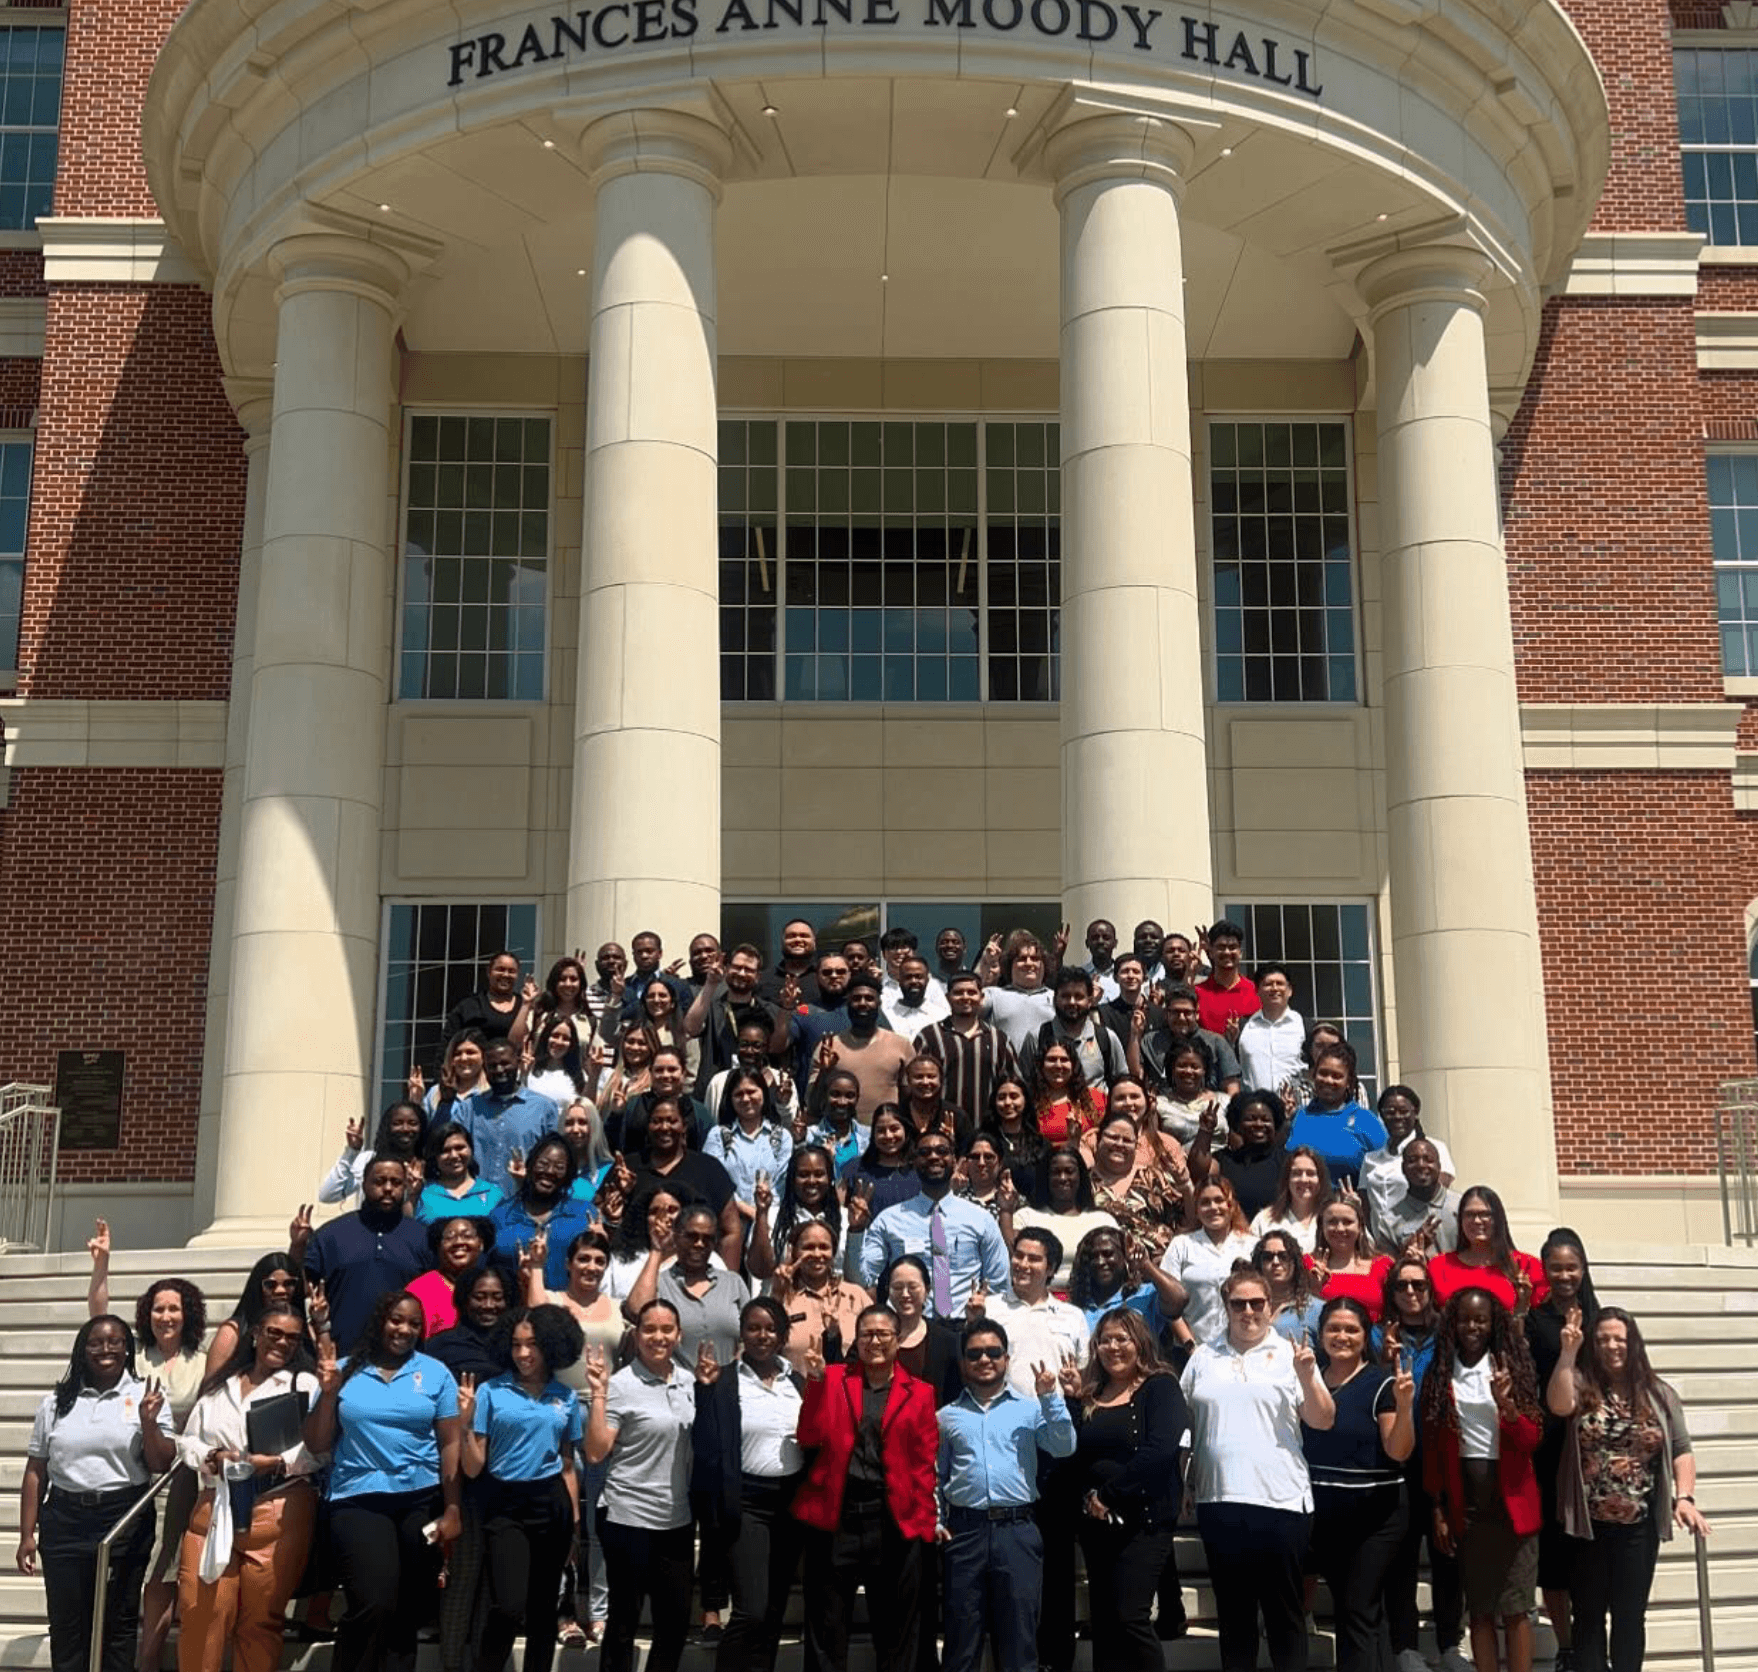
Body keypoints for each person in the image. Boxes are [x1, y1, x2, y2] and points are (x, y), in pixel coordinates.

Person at [1183, 1266, 1334, 1672]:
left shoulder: (1292, 1354)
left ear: (1270, 1306)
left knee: (1284, 1615)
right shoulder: (1203, 1357)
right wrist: (1184, 1479)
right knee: (1234, 1617)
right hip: (1220, 1500)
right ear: (1225, 1305)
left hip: (1280, 1501)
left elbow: (1322, 1419)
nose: (1248, 1311)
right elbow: (1188, 1423)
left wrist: (1308, 1374)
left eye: (1256, 1303)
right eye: (1238, 1303)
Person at [304, 1291, 463, 1672]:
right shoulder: (343, 1370)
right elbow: (317, 1442)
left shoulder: (436, 1372)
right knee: (374, 1601)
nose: (404, 1329)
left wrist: (454, 1508)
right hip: (358, 1498)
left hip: (420, 1500)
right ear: (379, 1321)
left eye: (413, 1323)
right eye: (396, 1319)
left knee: (408, 1607)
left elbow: (451, 1443)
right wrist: (327, 1395)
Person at [1548, 1305, 1711, 1672]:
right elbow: (1558, 1405)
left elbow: (1681, 1450)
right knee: (1588, 1618)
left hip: (1638, 1528)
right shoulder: (1578, 1382)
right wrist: (1568, 1353)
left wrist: (1684, 1497)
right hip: (1587, 1526)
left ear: (1633, 1343)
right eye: (1603, 1339)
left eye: (1619, 1338)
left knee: (1630, 1617)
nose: (1611, 1346)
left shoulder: (1659, 1394)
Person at [17, 1316, 178, 1672]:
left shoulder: (145, 1394)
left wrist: (149, 1423)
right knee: (67, 1625)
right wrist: (27, 1534)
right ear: (82, 1349)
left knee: (117, 1623)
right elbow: (36, 1470)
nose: (106, 1349)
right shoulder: (56, 1402)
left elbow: (162, 1462)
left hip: (123, 1518)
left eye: (115, 1342)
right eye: (95, 1343)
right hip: (65, 1519)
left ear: (127, 1348)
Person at [83, 1221, 209, 1672]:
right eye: (158, 1309)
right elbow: (99, 1318)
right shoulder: (133, 1354)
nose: (166, 1317)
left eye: (174, 1309)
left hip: (179, 1477)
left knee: (163, 1569)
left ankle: (148, 1660)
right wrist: (102, 1265)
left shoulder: (202, 1360)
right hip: (128, 1472)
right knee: (130, 1567)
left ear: (187, 1313)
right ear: (147, 1314)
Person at [175, 1302, 324, 1672]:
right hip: (215, 1507)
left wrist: (275, 1463)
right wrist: (213, 1456)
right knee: (201, 1615)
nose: (282, 1343)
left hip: (276, 1508)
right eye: (274, 1333)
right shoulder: (218, 1385)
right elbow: (187, 1441)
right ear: (255, 1333)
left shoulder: (304, 1385)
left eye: (292, 1337)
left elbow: (320, 1450)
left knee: (260, 1623)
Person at [793, 1303, 940, 1672]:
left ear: (897, 1339)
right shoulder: (834, 1378)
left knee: (895, 1630)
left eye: (882, 1334)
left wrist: (924, 1520)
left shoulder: (920, 1392)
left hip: (891, 1519)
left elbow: (924, 1463)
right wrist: (813, 1383)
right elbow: (808, 1436)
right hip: (837, 1516)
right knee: (827, 1629)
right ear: (855, 1341)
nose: (874, 1341)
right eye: (866, 1334)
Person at [936, 1318, 1076, 1672]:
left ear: (1006, 1358)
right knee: (961, 1639)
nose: (985, 1359)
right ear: (964, 1362)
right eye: (975, 1354)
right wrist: (937, 1520)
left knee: (1019, 1639)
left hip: (1017, 1531)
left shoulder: (1030, 1408)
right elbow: (936, 1474)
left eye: (993, 1352)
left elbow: (1063, 1447)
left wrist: (1051, 1398)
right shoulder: (946, 1417)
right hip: (964, 1533)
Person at [1421, 1289, 1543, 1672]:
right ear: (1452, 1324)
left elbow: (1530, 1440)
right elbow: (1433, 1449)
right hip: (1467, 1501)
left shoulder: (1511, 1368)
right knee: (1481, 1607)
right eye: (1464, 1319)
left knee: (1517, 1608)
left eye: (1480, 1320)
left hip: (1513, 1501)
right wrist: (1438, 1507)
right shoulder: (1442, 1371)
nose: (1472, 1326)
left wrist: (1507, 1405)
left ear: (1494, 1325)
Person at [460, 1304, 585, 1672]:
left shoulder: (566, 1395)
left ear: (551, 1345)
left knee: (544, 1606)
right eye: (516, 1345)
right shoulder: (490, 1391)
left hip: (553, 1504)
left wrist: (575, 1519)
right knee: (508, 1605)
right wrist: (465, 1425)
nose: (523, 1354)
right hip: (504, 1506)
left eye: (532, 1344)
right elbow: (473, 1466)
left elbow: (566, 1462)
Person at [584, 1301, 708, 1672]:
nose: (658, 1337)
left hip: (677, 1520)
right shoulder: (620, 1385)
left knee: (674, 1624)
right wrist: (599, 1394)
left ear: (679, 1334)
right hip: (627, 1518)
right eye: (649, 1329)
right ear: (635, 1336)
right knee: (623, 1622)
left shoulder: (690, 1381)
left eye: (667, 1329)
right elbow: (594, 1452)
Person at [1065, 1308, 1190, 1672]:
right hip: (1097, 1526)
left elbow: (1161, 1450)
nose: (1113, 1347)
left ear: (1141, 1343)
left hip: (1144, 1523)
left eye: (1122, 1338)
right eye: (1105, 1340)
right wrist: (1073, 1402)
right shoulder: (1094, 1392)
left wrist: (1109, 1494)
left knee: (1130, 1617)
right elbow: (1077, 1452)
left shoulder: (1160, 1386)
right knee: (1104, 1622)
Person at [692, 1297, 806, 1672]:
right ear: (741, 1333)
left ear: (783, 1334)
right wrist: (705, 1391)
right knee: (751, 1611)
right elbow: (706, 1448)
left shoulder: (798, 1382)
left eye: (771, 1328)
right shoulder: (723, 1380)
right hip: (747, 1503)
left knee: (773, 1611)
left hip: (789, 1504)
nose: (762, 1335)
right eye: (754, 1327)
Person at [1302, 1296, 1415, 1672]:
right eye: (1334, 1328)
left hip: (1376, 1518)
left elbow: (1398, 1451)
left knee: (1355, 1608)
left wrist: (1403, 1407)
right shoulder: (1308, 1378)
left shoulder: (1381, 1383)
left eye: (1352, 1329)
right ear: (1320, 1335)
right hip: (1327, 1517)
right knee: (1362, 1613)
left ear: (1367, 1336)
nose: (1342, 1336)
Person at [1374, 1258, 1464, 1672]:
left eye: (1419, 1285)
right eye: (1402, 1286)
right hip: (1397, 1452)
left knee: (1447, 1554)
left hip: (1443, 1450)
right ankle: (1405, 1645)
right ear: (1391, 1293)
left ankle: (1450, 1644)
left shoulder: (1449, 1332)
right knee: (1403, 1554)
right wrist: (1382, 1358)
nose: (1411, 1292)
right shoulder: (1379, 1335)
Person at [424, 1266, 512, 1672]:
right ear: (463, 1299)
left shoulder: (519, 1343)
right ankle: (452, 1664)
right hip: (463, 1475)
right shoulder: (441, 1347)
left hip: (511, 1474)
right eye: (480, 1296)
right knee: (462, 1576)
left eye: (497, 1296)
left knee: (498, 1583)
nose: (489, 1304)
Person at [1525, 1228, 1601, 1671]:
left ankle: (1592, 1641)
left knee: (1591, 1554)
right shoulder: (1536, 1320)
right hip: (1552, 1447)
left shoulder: (1601, 1317)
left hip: (1597, 1448)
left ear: (1584, 1267)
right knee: (1554, 1555)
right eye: (1556, 1267)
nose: (1564, 1274)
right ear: (1545, 1270)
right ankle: (1566, 1645)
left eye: (1571, 1266)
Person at [858, 1129, 1010, 1318]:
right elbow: (861, 1277)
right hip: (908, 1326)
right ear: (913, 1162)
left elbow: (1000, 1280)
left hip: (964, 1326)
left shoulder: (981, 1219)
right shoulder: (889, 1220)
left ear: (955, 1160)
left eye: (942, 1151)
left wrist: (983, 1312)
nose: (933, 1157)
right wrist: (856, 1232)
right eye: (924, 1152)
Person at [301, 1158, 432, 1353]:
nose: (388, 1188)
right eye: (379, 1181)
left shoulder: (423, 1237)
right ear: (364, 1184)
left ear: (405, 1186)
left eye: (396, 1182)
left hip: (406, 1358)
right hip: (343, 1355)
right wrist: (297, 1245)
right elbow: (302, 1288)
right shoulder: (331, 1235)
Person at [623, 1097, 744, 1269]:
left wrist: (728, 1280)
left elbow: (731, 1229)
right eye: (656, 1121)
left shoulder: (709, 1168)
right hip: (637, 1270)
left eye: (672, 1121)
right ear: (647, 1126)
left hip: (697, 1273)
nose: (664, 1127)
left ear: (684, 1126)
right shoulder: (629, 1168)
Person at [628, 1202, 751, 1366]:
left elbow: (750, 1335)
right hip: (675, 1387)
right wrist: (657, 1249)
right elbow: (637, 1311)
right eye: (692, 1236)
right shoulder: (660, 1283)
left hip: (726, 1386)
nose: (699, 1244)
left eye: (707, 1239)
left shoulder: (733, 1283)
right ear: (676, 1236)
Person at [982, 1227, 1089, 1396]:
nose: (1023, 1264)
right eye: (1018, 1256)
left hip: (1056, 1415)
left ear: (1051, 1269)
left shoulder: (1073, 1316)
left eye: (1034, 1259)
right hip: (1002, 1414)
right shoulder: (987, 1308)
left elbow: (1084, 1372)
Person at [488, 1136, 600, 1294]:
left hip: (568, 1310)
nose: (549, 1171)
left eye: (559, 1167)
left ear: (568, 1174)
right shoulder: (500, 1216)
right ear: (530, 1165)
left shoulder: (585, 1213)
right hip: (514, 1312)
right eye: (543, 1164)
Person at [807, 973, 916, 1127]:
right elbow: (813, 1106)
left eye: (869, 999)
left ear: (879, 1003)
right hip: (841, 1139)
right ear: (847, 1003)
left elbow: (910, 1101)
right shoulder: (829, 1047)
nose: (862, 1003)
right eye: (856, 999)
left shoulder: (901, 1045)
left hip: (886, 1137)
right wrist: (825, 1071)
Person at [915, 972, 1019, 1130]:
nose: (965, 997)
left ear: (981, 997)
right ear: (948, 997)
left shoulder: (999, 1040)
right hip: (940, 1131)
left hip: (988, 1133)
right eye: (958, 993)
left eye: (971, 992)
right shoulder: (929, 1037)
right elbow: (912, 1085)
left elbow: (1015, 1084)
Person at [458, 1039, 561, 1199]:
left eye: (505, 1063)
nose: (499, 1070)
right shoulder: (468, 1108)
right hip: (476, 1204)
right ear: (484, 1069)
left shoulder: (544, 1108)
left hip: (524, 1204)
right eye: (492, 1066)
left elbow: (555, 1161)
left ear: (518, 1063)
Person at [1163, 1177, 1256, 1350]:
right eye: (1205, 1202)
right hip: (1194, 1349)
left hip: (1245, 1348)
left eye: (1219, 1200)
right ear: (1196, 1209)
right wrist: (1191, 1348)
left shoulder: (1251, 1245)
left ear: (1232, 1205)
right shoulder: (1181, 1245)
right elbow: (1168, 1303)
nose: (1213, 1208)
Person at [702, 1066, 795, 1234]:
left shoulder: (782, 1138)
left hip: (770, 1227)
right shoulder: (718, 1136)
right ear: (729, 1098)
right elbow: (713, 1183)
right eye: (738, 1094)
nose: (746, 1099)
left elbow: (781, 1187)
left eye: (752, 1092)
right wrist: (750, 1212)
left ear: (764, 1094)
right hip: (728, 1227)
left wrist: (763, 1218)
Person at [771, 1221, 872, 1374]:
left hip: (848, 1392)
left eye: (824, 1247)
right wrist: (777, 1295)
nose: (817, 1254)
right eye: (808, 1247)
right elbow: (761, 1347)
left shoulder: (856, 1295)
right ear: (793, 1251)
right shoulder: (781, 1296)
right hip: (796, 1393)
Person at [1358, 1085, 1455, 1240]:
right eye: (1390, 1112)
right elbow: (1365, 1206)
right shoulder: (1370, 1159)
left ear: (1415, 1113)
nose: (1397, 1116)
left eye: (1404, 1111)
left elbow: (1437, 1199)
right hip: (1381, 1244)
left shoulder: (1435, 1149)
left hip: (1422, 1239)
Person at [1429, 1186, 1547, 1314]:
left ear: (1498, 1219)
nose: (1477, 1221)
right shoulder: (1439, 1265)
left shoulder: (1526, 1266)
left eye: (1485, 1214)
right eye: (1469, 1214)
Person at [1087, 1109, 1184, 1262]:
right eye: (1113, 1137)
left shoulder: (1154, 1177)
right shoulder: (1083, 1181)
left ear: (1136, 1145)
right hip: (1101, 1268)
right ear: (1098, 1139)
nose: (1119, 1144)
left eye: (1127, 1140)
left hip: (1159, 1269)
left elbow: (1186, 1220)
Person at [1284, 1041, 1385, 1186]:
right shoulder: (1298, 1118)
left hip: (1346, 1205)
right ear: (1314, 1075)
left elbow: (1388, 1170)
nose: (1328, 1080)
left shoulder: (1366, 1122)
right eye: (1323, 1073)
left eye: (1337, 1076)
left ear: (1349, 1082)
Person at [1012, 1149, 1113, 1294]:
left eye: (1069, 1171)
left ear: (1080, 1176)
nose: (1063, 1177)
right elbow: (1014, 1257)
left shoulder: (1102, 1220)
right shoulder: (1025, 1217)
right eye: (1056, 1172)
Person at [749, 1144, 847, 1280]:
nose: (812, 1181)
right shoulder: (771, 1217)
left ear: (830, 1178)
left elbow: (858, 1278)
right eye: (803, 1175)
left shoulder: (847, 1219)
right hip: (782, 1297)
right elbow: (759, 1270)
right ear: (792, 1180)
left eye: (819, 1174)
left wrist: (856, 1229)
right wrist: (761, 1213)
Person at [1017, 966, 1126, 1090]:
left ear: (1090, 1001)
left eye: (1079, 997)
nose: (1072, 1002)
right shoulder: (1037, 1037)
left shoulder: (1106, 1038)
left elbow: (1122, 1084)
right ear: (1054, 1000)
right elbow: (1023, 1085)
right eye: (1065, 996)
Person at [206, 1254, 313, 1378]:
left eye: (289, 1284)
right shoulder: (232, 1332)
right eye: (270, 1285)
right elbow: (210, 1388)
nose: (280, 1290)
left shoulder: (308, 1332)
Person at [877, 1255, 964, 1407]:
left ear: (927, 1290)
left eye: (912, 1287)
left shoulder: (948, 1341)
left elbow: (956, 1395)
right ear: (888, 1291)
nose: (905, 1294)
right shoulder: (874, 1335)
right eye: (897, 1287)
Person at [1194, 1088, 1286, 1218]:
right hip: (1235, 1233)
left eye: (1266, 1120)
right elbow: (1198, 1174)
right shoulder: (1224, 1159)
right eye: (1251, 1119)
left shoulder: (1287, 1160)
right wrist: (1205, 1130)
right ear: (1238, 1125)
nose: (1259, 1124)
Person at [318, 1101, 429, 1207]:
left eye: (413, 1123)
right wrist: (352, 1151)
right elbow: (327, 1195)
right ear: (387, 1128)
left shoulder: (431, 1165)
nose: (405, 1129)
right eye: (397, 1123)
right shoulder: (369, 1160)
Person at [1371, 1138, 1461, 1259]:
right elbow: (1386, 1272)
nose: (1421, 1165)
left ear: (1439, 1166)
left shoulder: (1462, 1206)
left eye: (1428, 1160)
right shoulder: (1389, 1222)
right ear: (1403, 1168)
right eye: (1413, 1161)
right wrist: (1409, 1249)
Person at [1309, 1195, 1392, 1322]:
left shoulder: (1383, 1265)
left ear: (1360, 1227)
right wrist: (1314, 1289)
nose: (1340, 1228)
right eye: (1332, 1222)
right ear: (1321, 1227)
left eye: (1347, 1222)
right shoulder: (1309, 1265)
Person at [408, 1216, 495, 1336]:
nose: (459, 1242)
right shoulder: (421, 1290)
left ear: (481, 1244)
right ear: (438, 1246)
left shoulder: (495, 1283)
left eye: (467, 1236)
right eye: (449, 1237)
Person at [977, 934, 1057, 1052]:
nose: (1029, 963)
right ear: (1010, 965)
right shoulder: (994, 994)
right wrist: (985, 964)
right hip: (1004, 1068)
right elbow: (967, 1002)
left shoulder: (1056, 997)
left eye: (1035, 959)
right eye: (1022, 959)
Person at [417, 1121, 507, 1221]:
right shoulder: (422, 1195)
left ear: (471, 1149)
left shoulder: (493, 1193)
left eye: (459, 1148)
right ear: (435, 1156)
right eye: (445, 1151)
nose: (454, 1155)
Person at [1236, 962, 1305, 1093]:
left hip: (1297, 1107)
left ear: (1290, 990)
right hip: (1257, 1108)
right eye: (1268, 984)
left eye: (1280, 983)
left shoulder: (1304, 1026)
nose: (1274, 988)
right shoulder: (1244, 1026)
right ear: (1257, 990)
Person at [1249, 1145, 1331, 1254]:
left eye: (1310, 1173)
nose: (1304, 1179)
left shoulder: (1332, 1219)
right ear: (1287, 1179)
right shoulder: (1264, 1220)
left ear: (1320, 1179)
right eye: (1296, 1173)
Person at [1252, 1229, 1324, 1348]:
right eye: (1268, 1257)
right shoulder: (1245, 1305)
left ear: (1295, 1262)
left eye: (1283, 1256)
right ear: (1259, 1263)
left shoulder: (1316, 1309)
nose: (1276, 1262)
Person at [1026, 1040, 1103, 1148]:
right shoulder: (1030, 1103)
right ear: (1041, 1066)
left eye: (1064, 1060)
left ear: (1073, 1065)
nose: (1058, 1065)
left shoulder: (1095, 1098)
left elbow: (1112, 1130)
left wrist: (1095, 1132)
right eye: (1051, 1059)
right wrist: (1074, 1142)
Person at [445, 950, 530, 1047]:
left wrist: (527, 1003)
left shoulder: (525, 1006)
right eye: (500, 969)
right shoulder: (469, 1006)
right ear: (489, 972)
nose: (505, 975)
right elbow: (448, 1044)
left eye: (511, 971)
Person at [979, 1072, 1046, 1193]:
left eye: (1014, 1096)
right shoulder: (983, 1140)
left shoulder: (1039, 1143)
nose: (1007, 1103)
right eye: (1001, 1097)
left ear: (1025, 1100)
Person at [1194, 918, 1260, 1036]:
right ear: (1211, 952)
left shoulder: (1256, 992)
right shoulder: (1197, 992)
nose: (1227, 952)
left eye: (1233, 947)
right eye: (1221, 947)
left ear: (1241, 952)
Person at [525, 1016, 592, 1108]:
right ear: (546, 1037)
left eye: (565, 1038)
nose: (559, 1042)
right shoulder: (530, 1069)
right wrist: (524, 1074)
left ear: (572, 1044)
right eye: (555, 1036)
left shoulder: (580, 1076)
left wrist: (594, 1076)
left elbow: (589, 1109)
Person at [884, 952, 951, 1035]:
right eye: (908, 977)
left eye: (918, 977)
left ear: (927, 980)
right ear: (899, 980)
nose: (913, 981)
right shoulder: (886, 1017)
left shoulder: (941, 1017)